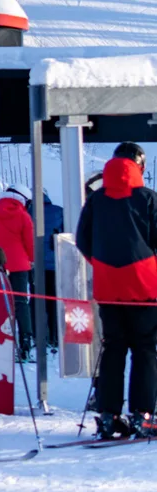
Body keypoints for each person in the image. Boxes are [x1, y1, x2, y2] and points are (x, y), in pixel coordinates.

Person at [75, 142, 157, 440]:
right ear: (140, 167)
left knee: (112, 348)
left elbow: (83, 240)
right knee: (146, 350)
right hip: (146, 286)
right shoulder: (148, 198)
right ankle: (143, 416)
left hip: (109, 286)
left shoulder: (96, 200)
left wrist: (103, 265)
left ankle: (108, 417)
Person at [0, 186, 37, 360]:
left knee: (0, 303)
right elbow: (30, 243)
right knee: (20, 303)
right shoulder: (23, 216)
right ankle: (25, 342)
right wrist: (32, 260)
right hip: (20, 265)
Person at [43, 192, 64, 347]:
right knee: (55, 301)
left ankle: (40, 335)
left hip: (37, 265)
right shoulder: (59, 211)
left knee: (38, 301)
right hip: (57, 264)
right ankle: (56, 335)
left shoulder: (29, 212)